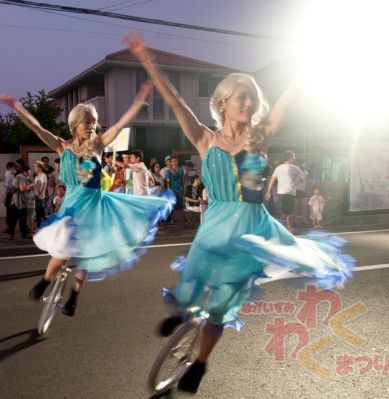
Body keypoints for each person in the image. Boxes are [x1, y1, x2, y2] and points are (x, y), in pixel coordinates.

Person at [125, 32, 353, 394]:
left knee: (222, 302)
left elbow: (283, 104)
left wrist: (309, 67)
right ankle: (181, 310)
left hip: (251, 225)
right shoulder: (204, 138)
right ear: (223, 103)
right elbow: (176, 101)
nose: (248, 102)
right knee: (196, 272)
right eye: (240, 96)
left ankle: (200, 362)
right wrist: (148, 62)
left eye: (252, 97)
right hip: (216, 220)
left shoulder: (259, 138)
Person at [0, 81, 172, 317]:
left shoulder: (97, 146)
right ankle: (44, 281)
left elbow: (119, 126)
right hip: (71, 204)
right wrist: (17, 107)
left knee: (87, 255)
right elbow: (36, 127)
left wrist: (138, 103)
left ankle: (74, 296)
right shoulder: (62, 146)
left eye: (94, 122)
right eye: (87, 122)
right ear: (75, 124)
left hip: (94, 206)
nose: (92, 126)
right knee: (62, 250)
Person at [266, 151, 303, 234]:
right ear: (290, 158)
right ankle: (282, 227)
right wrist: (297, 180)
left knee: (286, 211)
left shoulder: (278, 168)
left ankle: (287, 228)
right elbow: (301, 180)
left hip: (281, 192)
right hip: (289, 192)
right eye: (293, 157)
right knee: (288, 211)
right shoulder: (295, 168)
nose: (294, 159)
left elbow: (272, 179)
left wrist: (268, 191)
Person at [7, 165, 34, 240]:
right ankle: (18, 235)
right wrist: (31, 185)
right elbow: (22, 188)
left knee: (19, 219)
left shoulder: (22, 177)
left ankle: (16, 234)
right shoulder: (21, 177)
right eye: (29, 170)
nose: (30, 172)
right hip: (18, 201)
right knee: (18, 219)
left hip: (19, 201)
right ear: (25, 171)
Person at [166, 156, 188, 225]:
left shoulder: (181, 170)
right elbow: (168, 183)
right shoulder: (169, 172)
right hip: (172, 191)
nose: (174, 162)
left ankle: (186, 220)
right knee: (172, 207)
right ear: (171, 163)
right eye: (172, 161)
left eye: (175, 161)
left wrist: (184, 190)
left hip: (180, 191)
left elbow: (183, 181)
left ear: (177, 162)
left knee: (182, 206)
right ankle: (172, 220)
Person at [33, 160, 48, 227]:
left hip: (41, 197)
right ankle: (39, 226)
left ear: (40, 168)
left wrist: (38, 194)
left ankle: (46, 225)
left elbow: (43, 185)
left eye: (36, 167)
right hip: (37, 197)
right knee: (38, 213)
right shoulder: (36, 177)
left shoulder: (43, 175)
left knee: (40, 213)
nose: (34, 168)